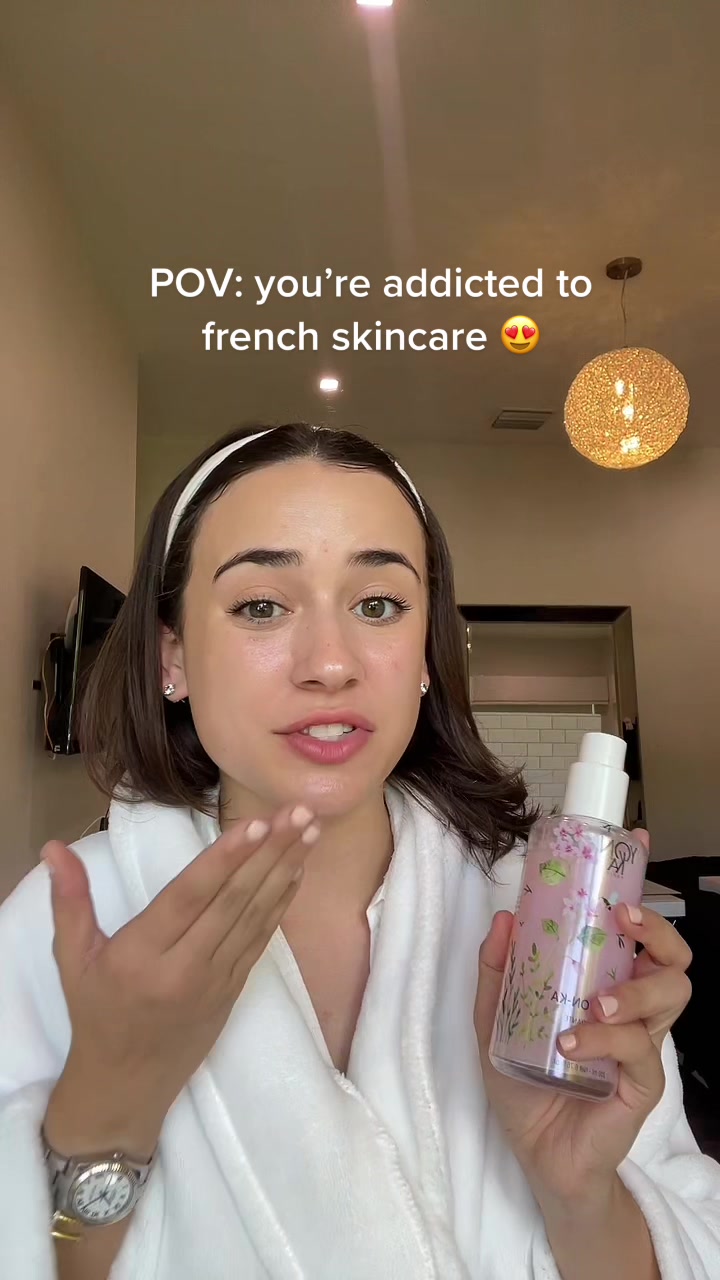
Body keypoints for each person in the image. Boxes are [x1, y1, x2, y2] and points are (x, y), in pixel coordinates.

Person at [0, 422, 718, 1280]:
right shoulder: (67, 929)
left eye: (378, 605)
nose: (331, 664)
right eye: (261, 605)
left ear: (425, 655)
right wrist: (108, 1111)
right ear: (172, 655)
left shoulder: (547, 933)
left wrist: (579, 1196)